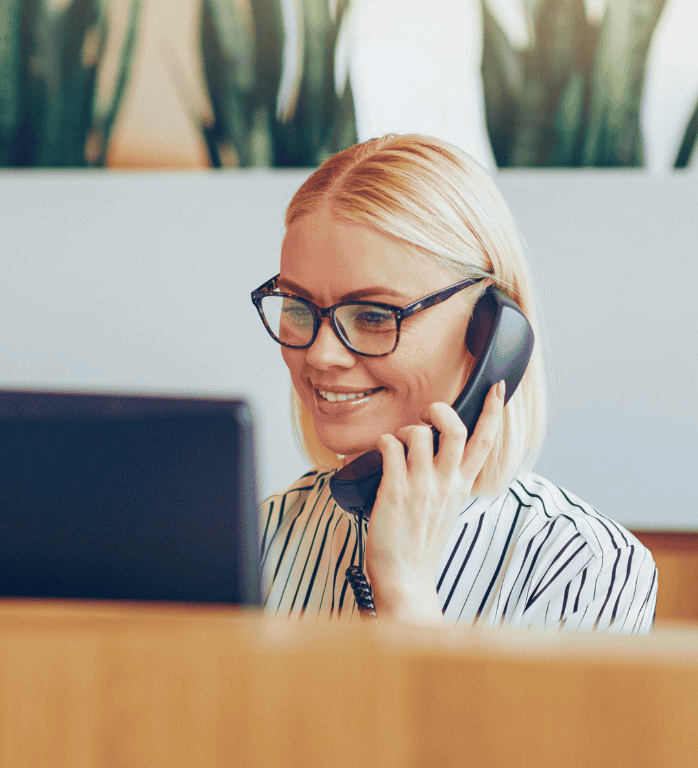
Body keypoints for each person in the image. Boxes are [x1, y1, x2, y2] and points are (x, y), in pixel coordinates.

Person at [252, 134, 656, 632]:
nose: (321, 354)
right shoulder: (260, 538)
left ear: (493, 334)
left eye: (374, 316)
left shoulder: (583, 568)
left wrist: (405, 588)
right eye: (297, 307)